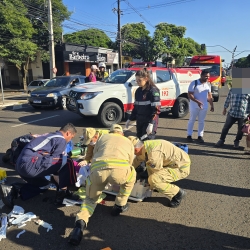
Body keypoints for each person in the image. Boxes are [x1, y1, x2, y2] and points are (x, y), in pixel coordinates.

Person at [68, 124, 136, 246]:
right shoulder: (128, 141)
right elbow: (130, 161)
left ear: (110, 132)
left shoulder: (102, 138)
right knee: (131, 175)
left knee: (89, 200)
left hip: (98, 172)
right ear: (121, 133)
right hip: (120, 172)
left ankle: (79, 227)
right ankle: (119, 206)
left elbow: (95, 155)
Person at [0, 123, 77, 208]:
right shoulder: (61, 139)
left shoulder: (50, 136)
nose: (69, 140)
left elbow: (52, 163)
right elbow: (59, 165)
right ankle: (64, 194)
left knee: (43, 185)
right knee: (67, 161)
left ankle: (13, 190)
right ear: (68, 133)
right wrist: (63, 186)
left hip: (20, 166)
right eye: (71, 137)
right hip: (29, 164)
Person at [128, 136, 190, 208]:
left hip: (180, 167)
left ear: (135, 149)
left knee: (154, 180)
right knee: (151, 174)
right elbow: (136, 161)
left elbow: (155, 172)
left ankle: (178, 193)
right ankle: (157, 186)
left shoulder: (153, 154)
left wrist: (149, 186)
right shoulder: (144, 146)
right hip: (173, 162)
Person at [125, 68, 161, 140]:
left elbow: (156, 110)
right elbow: (136, 108)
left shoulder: (153, 91)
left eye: (139, 80)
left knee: (147, 143)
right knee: (139, 141)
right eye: (136, 80)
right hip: (140, 121)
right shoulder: (138, 91)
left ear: (146, 79)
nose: (138, 82)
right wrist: (130, 119)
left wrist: (151, 124)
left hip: (149, 121)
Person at [187, 69, 214, 143]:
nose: (207, 78)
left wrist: (211, 105)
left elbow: (209, 95)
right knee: (192, 120)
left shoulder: (208, 84)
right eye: (205, 76)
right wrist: (197, 101)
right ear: (201, 75)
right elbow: (190, 94)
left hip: (204, 106)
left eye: (208, 76)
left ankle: (200, 136)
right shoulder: (194, 83)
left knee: (201, 121)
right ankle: (189, 135)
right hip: (194, 106)